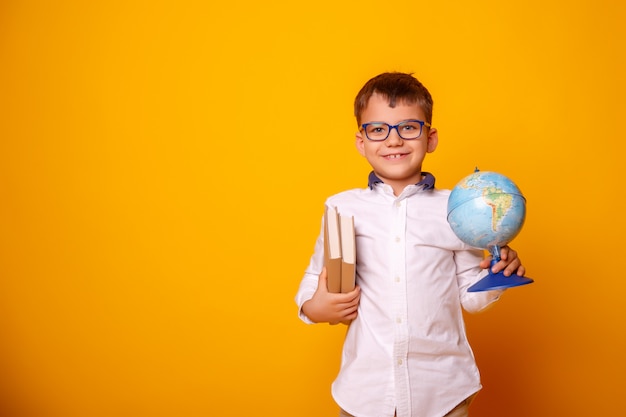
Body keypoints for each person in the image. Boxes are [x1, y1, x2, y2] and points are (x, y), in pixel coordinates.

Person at [294, 72, 527, 417]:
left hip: (443, 392)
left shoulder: (457, 211)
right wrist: (317, 307)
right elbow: (313, 281)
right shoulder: (342, 207)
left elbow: (471, 298)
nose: (393, 140)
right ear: (361, 141)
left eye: (408, 128)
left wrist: (496, 274)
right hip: (365, 394)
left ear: (430, 138)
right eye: (378, 129)